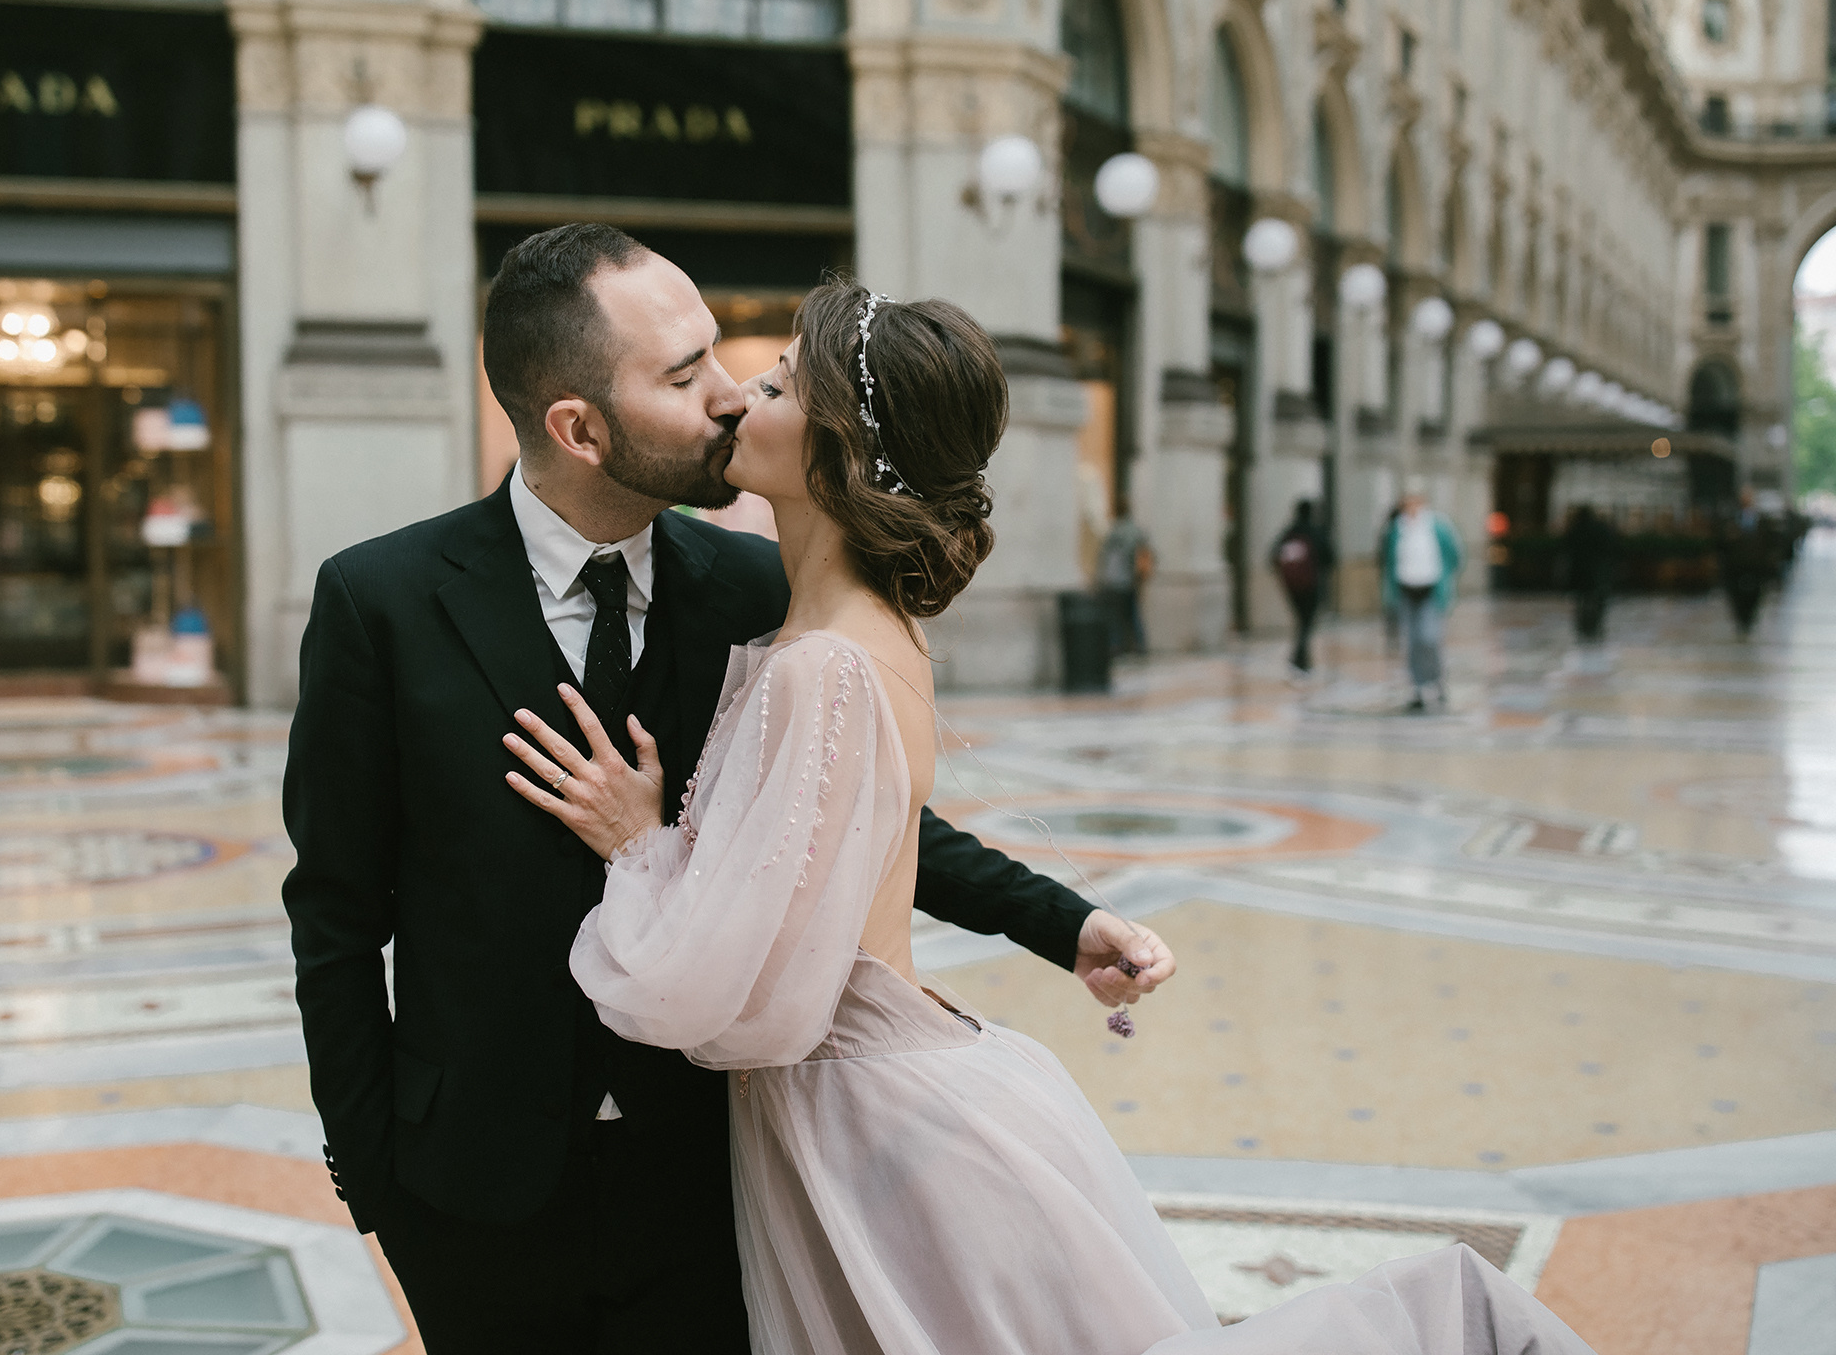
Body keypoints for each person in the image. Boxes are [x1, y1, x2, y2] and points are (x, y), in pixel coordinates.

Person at [516, 280, 1596, 1354]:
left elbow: (723, 995)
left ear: (838, 446)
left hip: (862, 1119)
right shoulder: (852, 635)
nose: (740, 395)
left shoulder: (823, 666)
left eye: (781, 382)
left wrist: (639, 845)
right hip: (883, 1085)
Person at [280, 227, 1166, 1355]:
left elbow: (844, 811)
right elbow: (338, 920)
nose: (729, 398)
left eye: (722, 358)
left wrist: (1063, 918)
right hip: (473, 1193)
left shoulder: (754, 586)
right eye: (683, 374)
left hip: (714, 1178)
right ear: (579, 427)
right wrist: (378, 1180)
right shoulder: (381, 601)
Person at [1378, 487, 1461, 712]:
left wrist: (1447, 582)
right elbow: (1387, 560)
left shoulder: (1438, 527)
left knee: (1429, 638)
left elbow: (1454, 555)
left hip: (1430, 591)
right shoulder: (1396, 529)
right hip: (1406, 591)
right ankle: (1418, 687)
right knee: (1412, 641)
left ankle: (1437, 680)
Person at [1269, 498, 1335, 674]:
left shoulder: (1289, 533)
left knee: (1302, 622)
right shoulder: (1315, 531)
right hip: (1312, 585)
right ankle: (1299, 659)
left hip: (1292, 587)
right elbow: (1330, 557)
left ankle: (1303, 660)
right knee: (1306, 623)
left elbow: (1273, 557)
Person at [1095, 495, 1152, 656]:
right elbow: (1142, 552)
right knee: (1132, 613)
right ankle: (1139, 644)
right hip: (1128, 580)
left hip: (1112, 580)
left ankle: (1116, 645)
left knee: (1115, 615)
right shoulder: (1135, 530)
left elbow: (1104, 557)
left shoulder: (1112, 530)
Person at [1718, 486, 1778, 636]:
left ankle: (1749, 617)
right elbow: (1720, 542)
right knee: (1735, 593)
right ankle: (1741, 618)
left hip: (1756, 565)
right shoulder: (1730, 519)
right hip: (1735, 565)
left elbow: (1770, 542)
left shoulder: (1762, 520)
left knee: (1755, 593)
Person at [1560, 504, 1619, 641]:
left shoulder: (1575, 529)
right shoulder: (1601, 529)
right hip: (1598, 571)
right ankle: (1595, 626)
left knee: (1582, 599)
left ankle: (1584, 627)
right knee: (1597, 599)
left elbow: (1565, 549)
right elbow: (1613, 548)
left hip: (1580, 571)